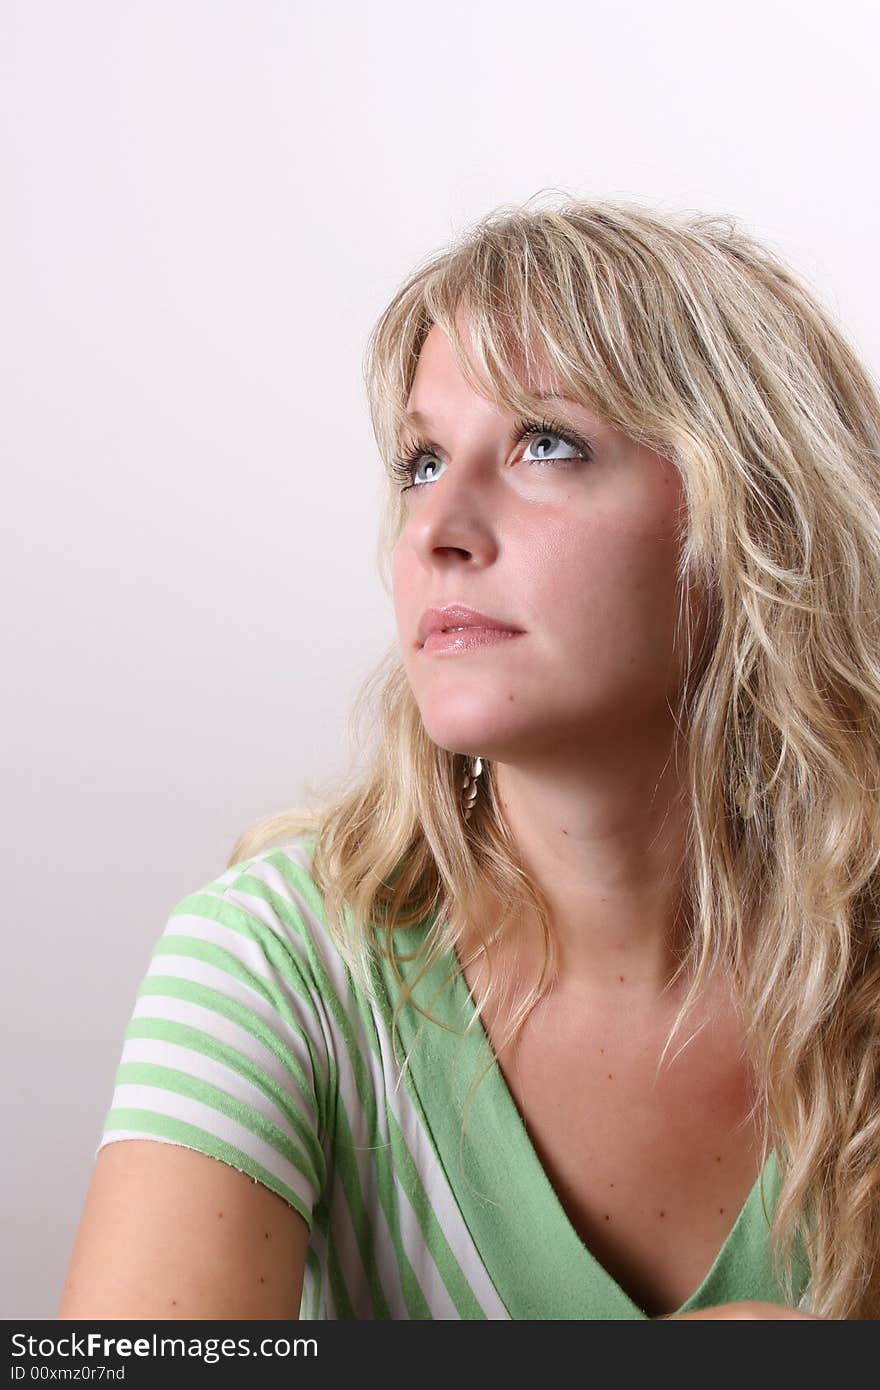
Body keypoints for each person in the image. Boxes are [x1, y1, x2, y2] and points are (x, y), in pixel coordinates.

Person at [59, 195, 880, 1321]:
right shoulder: (278, 959)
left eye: (547, 444)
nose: (438, 525)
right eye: (420, 460)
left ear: (754, 516)